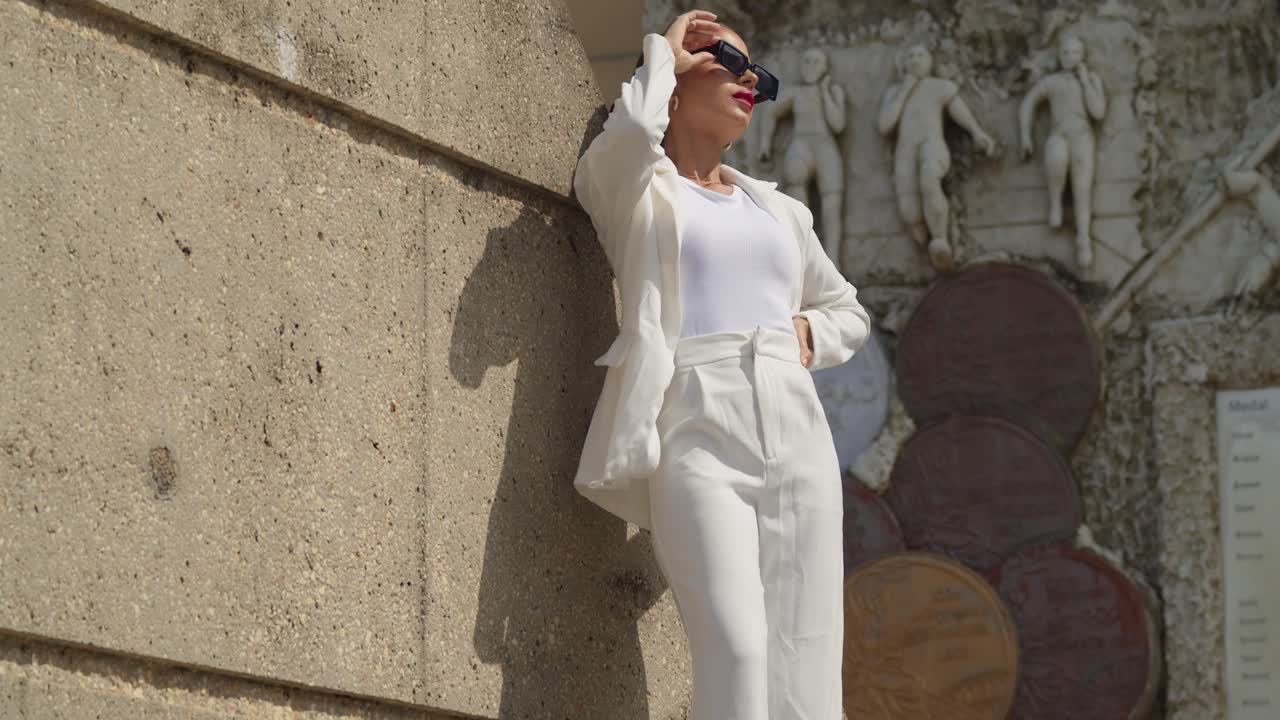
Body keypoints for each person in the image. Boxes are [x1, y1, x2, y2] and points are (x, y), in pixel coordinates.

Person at [572, 10, 872, 719]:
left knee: (807, 659)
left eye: (758, 77)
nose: (750, 85)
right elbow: (632, 136)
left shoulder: (781, 213)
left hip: (796, 429)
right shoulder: (639, 193)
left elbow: (849, 312)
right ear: (676, 81)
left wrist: (805, 333)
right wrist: (663, 53)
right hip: (696, 425)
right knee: (736, 650)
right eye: (730, 65)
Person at [879, 43, 997, 269]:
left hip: (932, 145)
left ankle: (940, 239)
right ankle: (920, 229)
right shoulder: (896, 92)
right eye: (911, 55)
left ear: (930, 61)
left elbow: (960, 112)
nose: (915, 60)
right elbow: (885, 125)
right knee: (909, 207)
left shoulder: (940, 87)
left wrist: (977, 132)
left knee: (929, 179)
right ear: (904, 64)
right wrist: (906, 89)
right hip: (906, 150)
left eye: (920, 55)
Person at [1019, 34, 1108, 268]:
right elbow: (1028, 103)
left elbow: (1098, 111)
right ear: (1060, 56)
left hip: (1082, 135)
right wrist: (1025, 135)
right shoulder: (1052, 82)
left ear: (1083, 56)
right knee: (1056, 158)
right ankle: (1056, 204)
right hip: (1059, 134)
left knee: (1082, 187)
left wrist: (1086, 80)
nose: (1070, 57)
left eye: (1075, 53)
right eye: (1066, 53)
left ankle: (1083, 238)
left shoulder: (1091, 79)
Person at [756, 48, 848, 262]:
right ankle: (803, 256)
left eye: (816, 61)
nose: (811, 65)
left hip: (825, 146)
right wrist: (764, 144)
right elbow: (771, 113)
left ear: (825, 67)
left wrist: (825, 92)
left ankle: (833, 260)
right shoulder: (794, 93)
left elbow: (838, 124)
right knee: (797, 199)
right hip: (801, 145)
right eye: (807, 61)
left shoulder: (833, 91)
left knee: (832, 203)